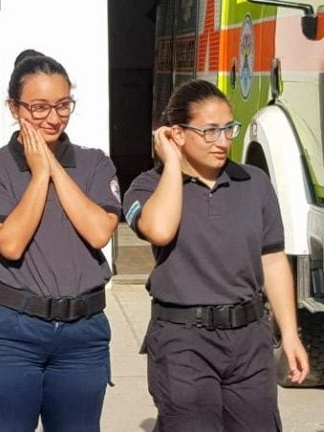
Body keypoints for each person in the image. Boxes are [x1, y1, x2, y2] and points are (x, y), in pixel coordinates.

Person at [123, 79, 309, 431]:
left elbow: (272, 259)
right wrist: (172, 164)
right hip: (183, 341)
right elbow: (160, 229)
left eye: (228, 128)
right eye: (209, 131)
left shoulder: (254, 183)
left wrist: (290, 334)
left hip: (249, 339)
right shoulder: (146, 187)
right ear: (176, 133)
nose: (223, 141)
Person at [0, 50, 120, 432]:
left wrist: (52, 167)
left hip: (82, 335)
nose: (53, 117)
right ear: (14, 107)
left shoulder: (94, 162)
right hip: (12, 333)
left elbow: (99, 231)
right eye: (38, 107)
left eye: (63, 105)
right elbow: (11, 243)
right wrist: (38, 176)